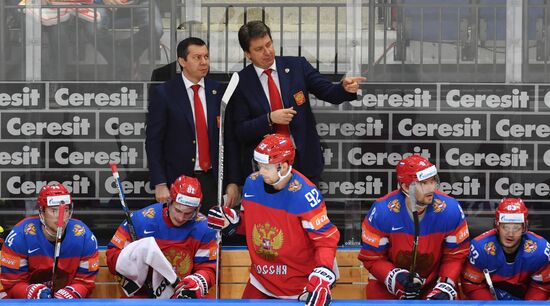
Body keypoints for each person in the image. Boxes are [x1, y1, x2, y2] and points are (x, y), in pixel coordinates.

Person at [229, 20, 366, 185]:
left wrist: (344, 89)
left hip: (304, 162)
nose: (267, 52)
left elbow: (328, 92)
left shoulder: (297, 66)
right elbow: (240, 130)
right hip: (266, 168)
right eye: (259, 49)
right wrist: (269, 118)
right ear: (247, 54)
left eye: (269, 44)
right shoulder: (241, 81)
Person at [208, 134, 339, 305]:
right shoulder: (252, 183)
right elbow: (251, 226)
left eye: (266, 167)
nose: (260, 172)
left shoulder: (305, 195)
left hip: (301, 285)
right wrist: (233, 223)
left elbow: (325, 238)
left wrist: (323, 271)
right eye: (259, 166)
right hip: (262, 281)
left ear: (284, 167)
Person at [146, 37, 240, 213]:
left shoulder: (219, 91)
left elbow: (230, 140)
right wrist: (159, 183)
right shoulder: (164, 93)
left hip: (213, 180)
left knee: (211, 233)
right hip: (178, 181)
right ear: (182, 61)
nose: (204, 62)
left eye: (206, 57)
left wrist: (233, 181)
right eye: (197, 57)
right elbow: (154, 141)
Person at [358, 155, 470, 300]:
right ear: (405, 187)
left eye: (433, 181)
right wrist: (397, 277)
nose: (431, 188)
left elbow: (456, 256)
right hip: (387, 285)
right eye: (423, 183)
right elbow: (372, 258)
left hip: (433, 284)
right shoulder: (382, 211)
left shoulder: (450, 209)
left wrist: (445, 285)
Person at [106, 175, 217, 299]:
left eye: (188, 213)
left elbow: (209, 268)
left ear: (197, 209)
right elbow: (111, 258)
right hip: (142, 297)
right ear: (169, 201)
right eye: (178, 210)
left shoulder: (204, 228)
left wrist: (198, 281)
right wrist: (133, 256)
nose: (181, 218)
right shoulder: (141, 220)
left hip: (182, 297)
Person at [0, 184, 99, 299]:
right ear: (42, 211)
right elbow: (12, 284)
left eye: (65, 210)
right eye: (53, 210)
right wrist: (29, 292)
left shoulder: (84, 236)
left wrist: (73, 292)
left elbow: (85, 283)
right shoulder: (20, 236)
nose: (61, 216)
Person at [461, 198, 550, 300]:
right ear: (497, 226)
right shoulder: (479, 248)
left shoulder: (541, 250)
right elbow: (472, 285)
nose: (510, 234)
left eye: (516, 227)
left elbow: (542, 286)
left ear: (524, 228)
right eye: (505, 227)